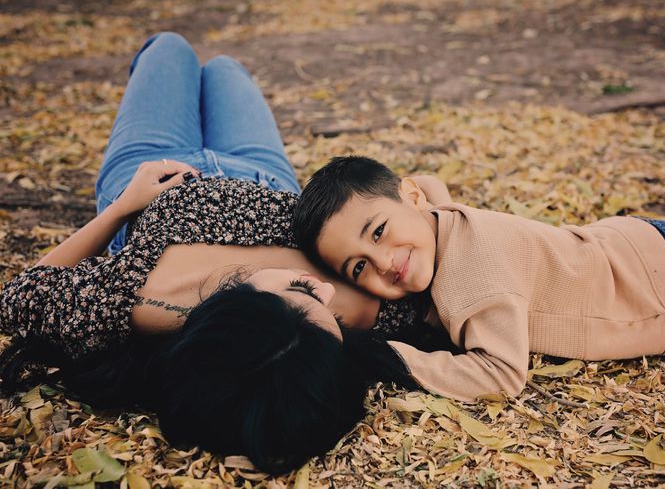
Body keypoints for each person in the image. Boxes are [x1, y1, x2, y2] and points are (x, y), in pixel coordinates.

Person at [0, 33, 425, 474]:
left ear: (236, 307)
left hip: (148, 172)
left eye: (301, 292)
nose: (326, 290)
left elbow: (17, 298)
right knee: (224, 67)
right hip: (263, 170)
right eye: (328, 317)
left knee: (168, 47)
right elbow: (430, 210)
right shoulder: (381, 305)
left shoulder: (130, 304)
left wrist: (121, 208)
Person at [292, 155, 665, 401]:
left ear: (410, 197)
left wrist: (390, 357)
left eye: (379, 232)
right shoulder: (436, 217)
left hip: (662, 277)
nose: (384, 262)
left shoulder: (473, 276)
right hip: (637, 243)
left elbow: (501, 374)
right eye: (358, 267)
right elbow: (430, 180)